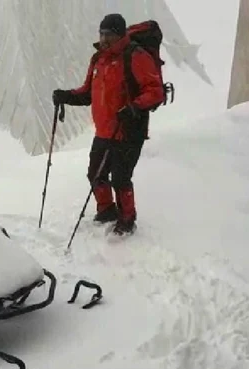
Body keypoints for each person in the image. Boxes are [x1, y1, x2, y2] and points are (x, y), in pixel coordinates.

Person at [52, 13, 166, 235]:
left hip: (129, 130)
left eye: (109, 34)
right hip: (105, 130)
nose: (104, 38)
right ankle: (107, 210)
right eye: (102, 33)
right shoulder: (98, 59)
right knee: (95, 174)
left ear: (120, 34)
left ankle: (126, 219)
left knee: (121, 178)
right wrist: (65, 96)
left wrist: (133, 107)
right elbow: (88, 94)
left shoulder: (135, 56)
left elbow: (155, 91)